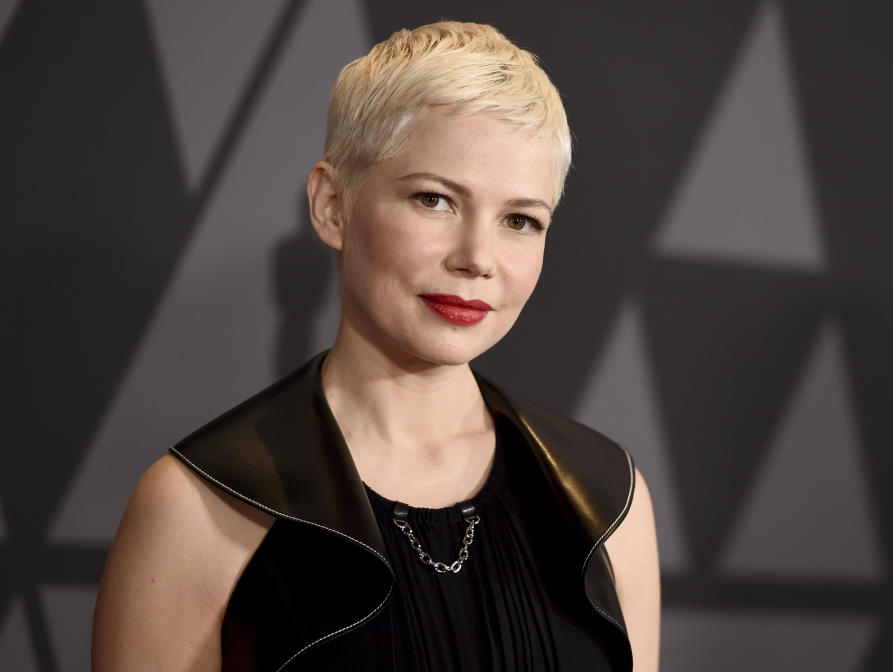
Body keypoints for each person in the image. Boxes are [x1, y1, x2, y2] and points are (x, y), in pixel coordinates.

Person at [92, 21, 660, 671]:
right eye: (435, 200)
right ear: (332, 206)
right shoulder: (196, 508)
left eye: (520, 220)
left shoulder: (606, 501)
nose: (477, 258)